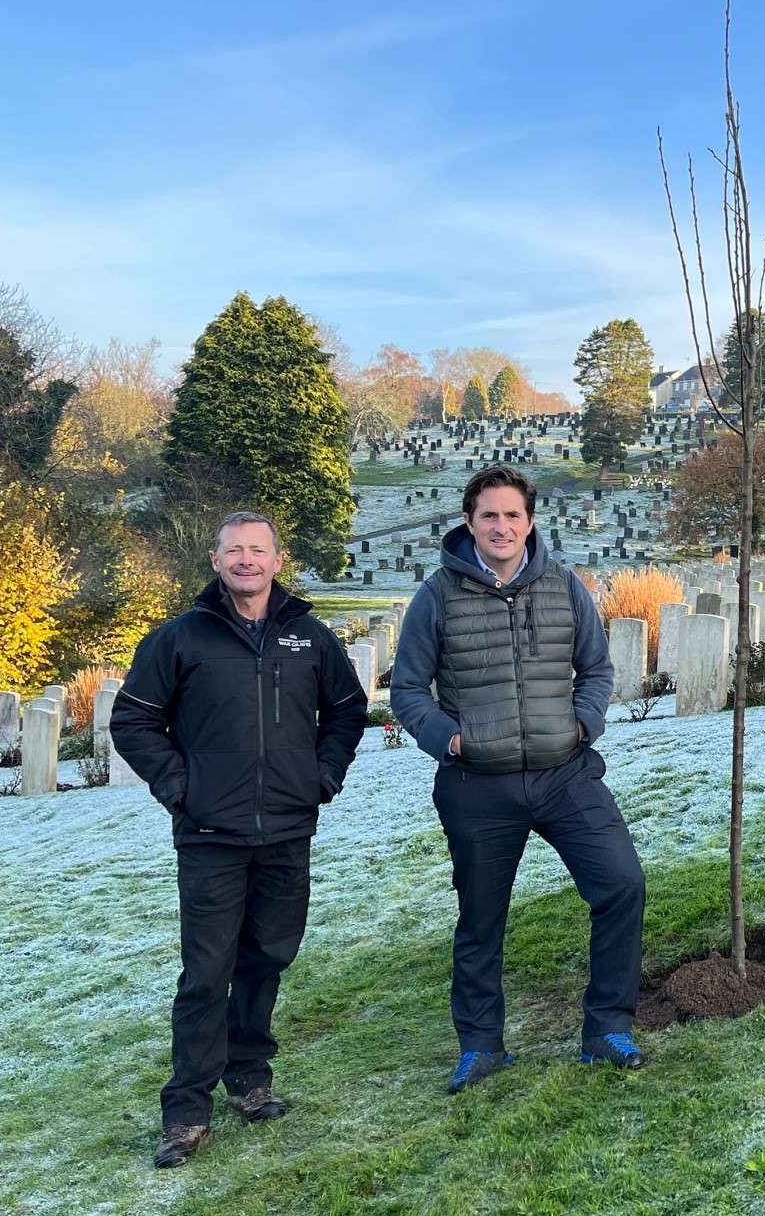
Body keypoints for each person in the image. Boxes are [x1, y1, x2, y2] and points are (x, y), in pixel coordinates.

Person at [113, 511, 369, 1168]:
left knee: (266, 960)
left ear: (277, 560)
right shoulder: (179, 639)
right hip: (210, 837)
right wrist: (182, 786)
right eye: (235, 551)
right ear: (216, 559)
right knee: (206, 973)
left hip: (287, 830)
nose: (247, 561)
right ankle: (186, 1112)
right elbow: (134, 720)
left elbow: (346, 710)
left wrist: (323, 774)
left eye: (258, 550)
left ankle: (250, 1079)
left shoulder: (308, 639)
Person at [390, 464, 647, 1093]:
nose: (501, 527)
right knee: (481, 918)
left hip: (566, 775)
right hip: (479, 784)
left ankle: (606, 1028)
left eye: (512, 515)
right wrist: (450, 739)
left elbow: (596, 670)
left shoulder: (564, 586)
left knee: (621, 883)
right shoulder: (437, 595)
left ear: (530, 522)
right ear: (469, 523)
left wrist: (584, 725)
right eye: (488, 516)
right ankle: (481, 1045)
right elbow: (406, 689)